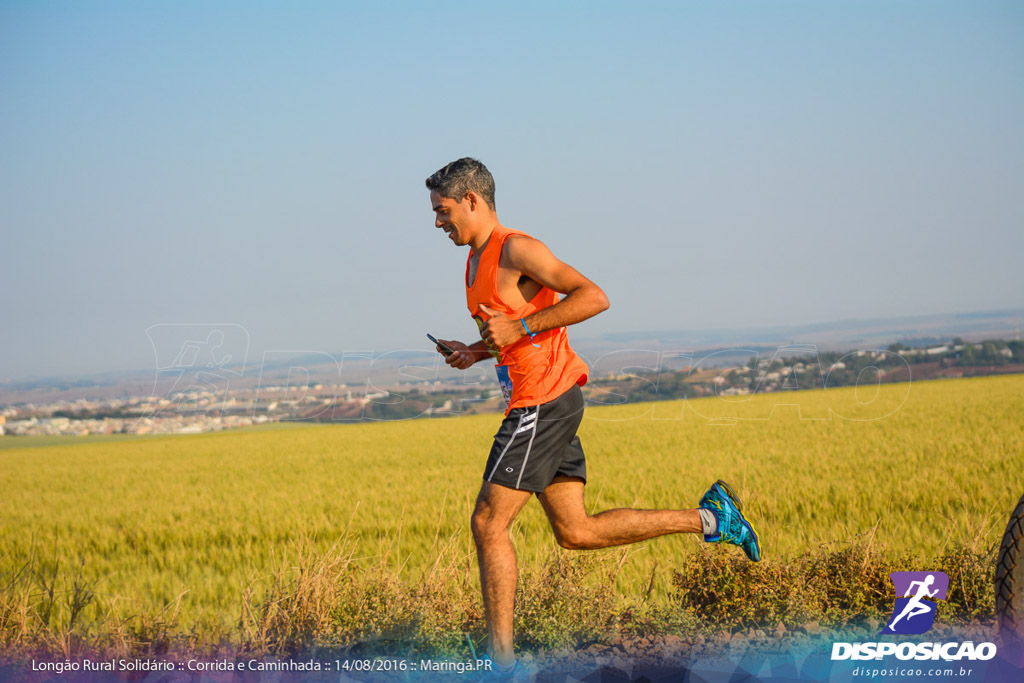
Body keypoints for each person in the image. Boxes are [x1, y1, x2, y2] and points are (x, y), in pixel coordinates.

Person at [425, 158, 761, 677]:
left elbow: (594, 297)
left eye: (444, 211)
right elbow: (510, 332)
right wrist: (474, 351)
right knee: (576, 531)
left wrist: (523, 327)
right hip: (542, 399)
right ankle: (715, 519)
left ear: (472, 199)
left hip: (542, 401)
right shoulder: (473, 261)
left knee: (489, 522)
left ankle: (501, 664)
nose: (439, 222)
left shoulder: (517, 248)